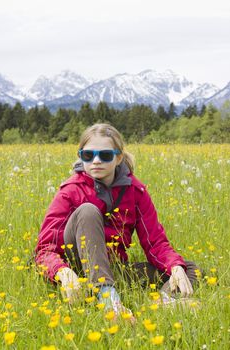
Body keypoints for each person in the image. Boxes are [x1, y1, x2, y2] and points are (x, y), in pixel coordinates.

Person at [35, 123, 199, 317]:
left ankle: (164, 302)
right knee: (88, 211)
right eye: (88, 155)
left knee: (188, 269)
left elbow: (156, 243)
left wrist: (174, 267)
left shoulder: (135, 191)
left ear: (118, 157)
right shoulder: (71, 190)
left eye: (104, 155)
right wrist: (62, 272)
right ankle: (109, 301)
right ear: (80, 156)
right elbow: (45, 250)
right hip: (77, 272)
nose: (96, 161)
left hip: (115, 269)